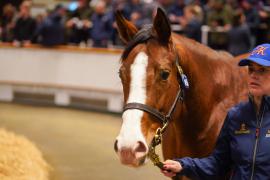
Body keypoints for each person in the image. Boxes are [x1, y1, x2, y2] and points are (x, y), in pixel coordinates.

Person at [161, 43, 270, 179]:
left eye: (262, 70)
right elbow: (218, 163)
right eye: (251, 70)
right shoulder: (236, 115)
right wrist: (183, 165)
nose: (254, 75)